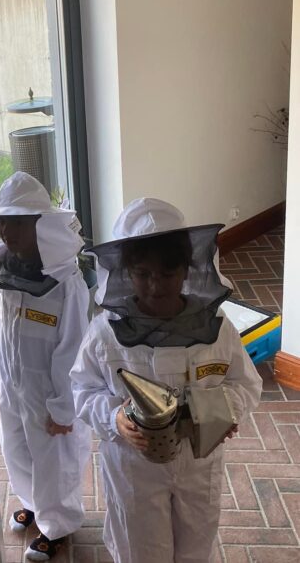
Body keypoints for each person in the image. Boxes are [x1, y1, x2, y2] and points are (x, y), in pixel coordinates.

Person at [70, 198, 262, 563]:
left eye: (167, 273)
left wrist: (225, 411)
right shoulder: (105, 333)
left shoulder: (217, 329)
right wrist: (114, 418)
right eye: (143, 274)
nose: (155, 286)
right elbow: (82, 388)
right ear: (126, 272)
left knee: (196, 545)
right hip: (133, 466)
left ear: (187, 269)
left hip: (200, 463)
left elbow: (245, 384)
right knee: (139, 550)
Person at [0, 172, 91, 561]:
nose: (8, 232)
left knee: (54, 461)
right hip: (11, 382)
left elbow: (73, 347)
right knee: (16, 448)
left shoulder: (65, 280)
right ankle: (33, 505)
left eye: (19, 223)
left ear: (41, 224)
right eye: (3, 222)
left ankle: (58, 525)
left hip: (49, 391)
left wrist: (63, 407)